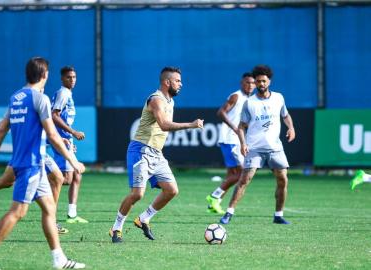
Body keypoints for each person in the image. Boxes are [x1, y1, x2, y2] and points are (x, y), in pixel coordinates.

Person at [0, 57, 86, 270]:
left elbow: (1, 129)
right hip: (31, 164)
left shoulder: (16, 97)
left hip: (24, 162)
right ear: (44, 75)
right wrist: (73, 160)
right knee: (18, 212)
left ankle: (59, 259)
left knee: (50, 209)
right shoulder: (40, 99)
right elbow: (52, 135)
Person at [109, 66, 204, 243]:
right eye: (177, 81)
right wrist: (191, 125)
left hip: (156, 154)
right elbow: (164, 125)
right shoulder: (156, 100)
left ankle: (144, 218)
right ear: (167, 82)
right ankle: (116, 228)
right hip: (140, 151)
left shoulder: (170, 101)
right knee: (137, 194)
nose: (181, 84)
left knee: (172, 190)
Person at [218, 65, 295, 225]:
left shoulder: (279, 98)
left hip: (275, 148)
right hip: (255, 148)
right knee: (244, 180)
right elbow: (241, 126)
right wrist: (243, 143)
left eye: (263, 81)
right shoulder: (249, 103)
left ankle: (278, 215)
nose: (261, 84)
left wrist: (291, 128)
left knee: (283, 180)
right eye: (258, 81)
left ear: (269, 81)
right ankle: (229, 213)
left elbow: (285, 115)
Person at [0, 119, 69, 234]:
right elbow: (4, 127)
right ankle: (51, 221)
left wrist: (57, 140)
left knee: (6, 181)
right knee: (57, 178)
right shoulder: (37, 101)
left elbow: (5, 127)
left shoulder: (20, 102)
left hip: (30, 150)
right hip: (31, 152)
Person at [206, 72, 255, 215]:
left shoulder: (250, 99)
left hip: (237, 140)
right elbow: (221, 112)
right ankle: (214, 196)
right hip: (230, 139)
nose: (250, 85)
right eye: (247, 82)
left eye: (252, 83)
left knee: (231, 174)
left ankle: (214, 203)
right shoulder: (236, 96)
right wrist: (234, 127)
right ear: (242, 83)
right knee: (241, 174)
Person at [50, 66, 88, 224]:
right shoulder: (63, 93)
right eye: (68, 77)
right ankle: (40, 183)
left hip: (66, 139)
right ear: (62, 79)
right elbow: (54, 115)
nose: (72, 80)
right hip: (62, 139)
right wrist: (72, 133)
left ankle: (72, 214)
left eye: (74, 77)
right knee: (64, 179)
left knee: (77, 175)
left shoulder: (67, 93)